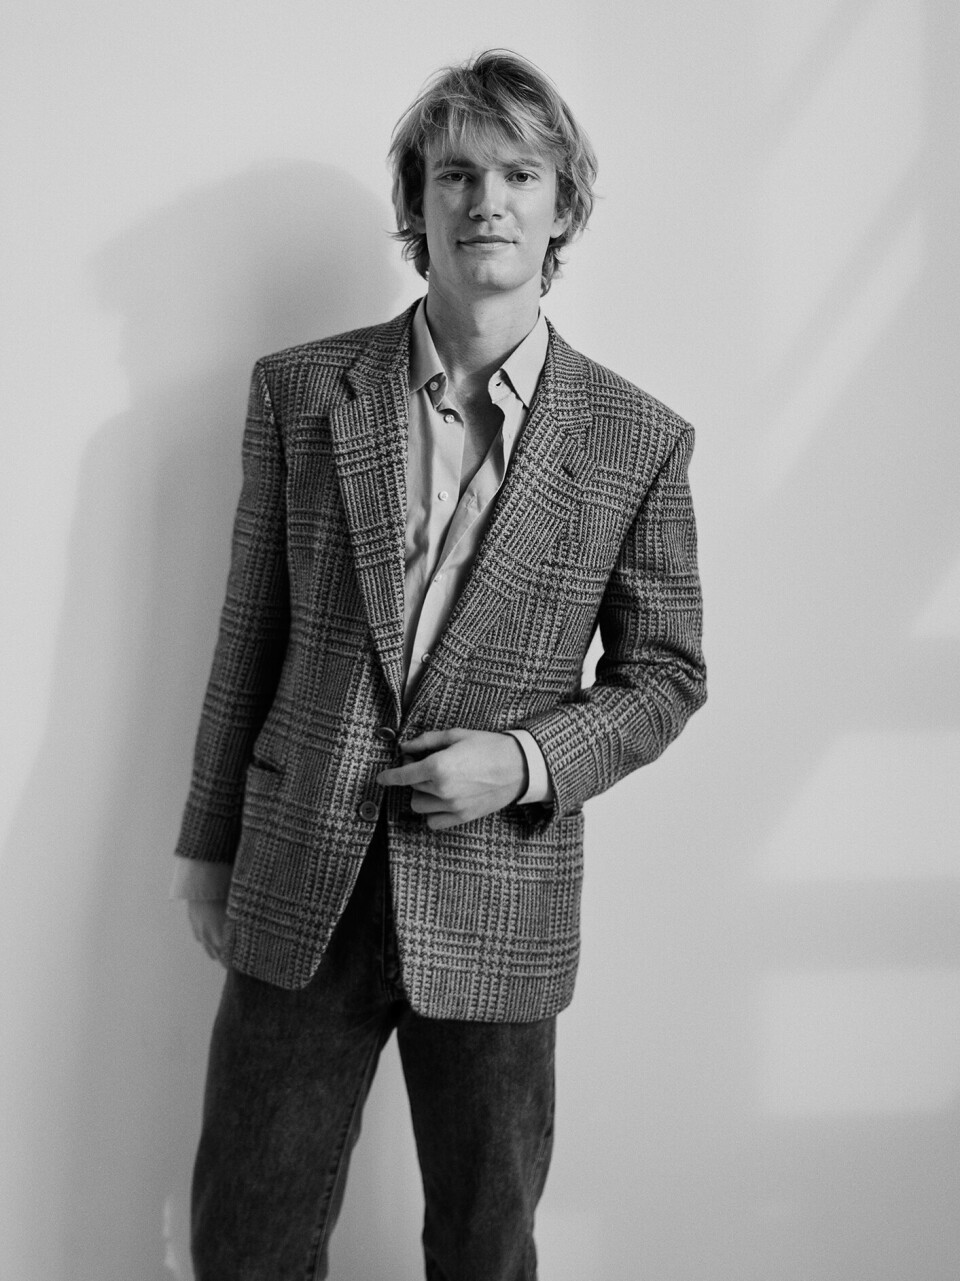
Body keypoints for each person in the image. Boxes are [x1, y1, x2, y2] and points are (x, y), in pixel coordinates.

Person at [173, 48, 707, 1281]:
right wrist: (208, 841)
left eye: (520, 174)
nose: (487, 202)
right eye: (456, 174)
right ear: (417, 204)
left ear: (563, 207)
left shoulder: (636, 439)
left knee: (484, 1247)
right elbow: (249, 629)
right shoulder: (304, 392)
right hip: (299, 874)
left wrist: (521, 763)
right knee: (245, 1242)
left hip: (500, 894)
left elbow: (668, 672)